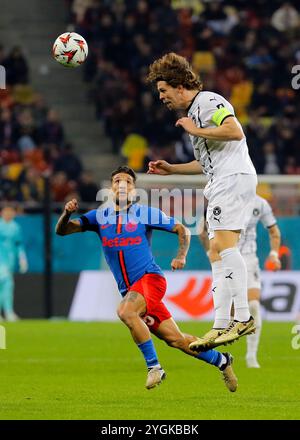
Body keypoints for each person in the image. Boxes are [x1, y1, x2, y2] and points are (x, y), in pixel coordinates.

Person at [55, 166, 237, 391]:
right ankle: (223, 361)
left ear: (134, 189)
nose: (122, 185)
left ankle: (155, 368)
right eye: (117, 181)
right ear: (111, 187)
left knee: (126, 312)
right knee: (176, 340)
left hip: (151, 280)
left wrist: (181, 255)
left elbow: (182, 229)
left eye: (128, 182)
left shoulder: (146, 213)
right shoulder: (99, 217)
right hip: (133, 290)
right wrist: (66, 213)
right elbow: (62, 231)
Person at [146, 52, 257, 352]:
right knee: (216, 252)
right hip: (219, 179)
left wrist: (195, 130)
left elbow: (234, 131)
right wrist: (172, 168)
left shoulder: (208, 101)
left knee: (223, 246)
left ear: (179, 85)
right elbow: (204, 162)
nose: (162, 98)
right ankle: (220, 324)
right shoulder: (196, 111)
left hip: (232, 178)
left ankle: (243, 317)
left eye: (163, 91)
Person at [199, 195, 281, 368]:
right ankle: (223, 350)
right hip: (225, 258)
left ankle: (251, 356)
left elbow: (274, 232)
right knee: (230, 312)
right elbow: (202, 228)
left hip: (250, 260)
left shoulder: (260, 203)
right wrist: (210, 252)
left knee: (254, 306)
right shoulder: (223, 198)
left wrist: (274, 254)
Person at [0, 205, 28, 321]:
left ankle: (8, 311)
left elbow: (19, 244)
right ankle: (7, 312)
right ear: (2, 213)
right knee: (5, 283)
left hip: (10, 262)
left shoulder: (15, 227)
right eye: (6, 211)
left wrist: (22, 258)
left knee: (8, 287)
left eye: (11, 211)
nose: (9, 214)